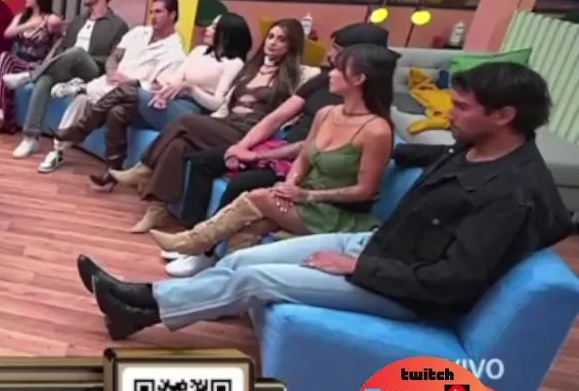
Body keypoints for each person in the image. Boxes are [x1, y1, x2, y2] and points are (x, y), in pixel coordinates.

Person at [78, 62, 572, 341]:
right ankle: (140, 302)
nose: (450, 115)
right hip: (380, 246)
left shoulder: (512, 194)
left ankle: (142, 305)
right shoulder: (472, 148)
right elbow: (412, 156)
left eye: (462, 107)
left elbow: (451, 280)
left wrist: (355, 268)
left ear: (504, 115)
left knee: (253, 277)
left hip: (402, 290)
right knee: (244, 258)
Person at [164, 22, 390, 276]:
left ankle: (195, 243)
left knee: (254, 193)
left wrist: (304, 193)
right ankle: (224, 277)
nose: (330, 67)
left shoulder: (377, 130)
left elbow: (364, 190)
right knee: (244, 221)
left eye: (339, 63)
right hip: (297, 184)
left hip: (331, 211)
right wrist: (285, 183)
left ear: (359, 76)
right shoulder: (327, 111)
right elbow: (296, 144)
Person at [112, 18, 311, 233]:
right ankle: (157, 210)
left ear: (292, 45)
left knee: (185, 121)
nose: (272, 43)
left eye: (281, 39)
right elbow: (225, 106)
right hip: (227, 123)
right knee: (179, 144)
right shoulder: (251, 68)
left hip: (251, 135)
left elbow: (291, 109)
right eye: (270, 37)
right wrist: (210, 122)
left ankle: (145, 168)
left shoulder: (296, 76)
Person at [39, 0, 187, 174]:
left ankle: (81, 88)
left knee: (90, 96)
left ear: (172, 15)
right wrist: (111, 71)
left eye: (159, 12)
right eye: (151, 12)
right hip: (109, 82)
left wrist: (131, 81)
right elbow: (115, 56)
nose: (153, 16)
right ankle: (58, 151)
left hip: (131, 95)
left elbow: (158, 87)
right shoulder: (138, 32)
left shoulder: (175, 53)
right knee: (82, 100)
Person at [0, 0, 129, 158]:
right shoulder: (79, 20)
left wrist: (83, 57)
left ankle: (29, 76)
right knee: (45, 80)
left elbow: (115, 59)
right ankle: (30, 137)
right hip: (69, 69)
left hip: (93, 72)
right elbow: (62, 48)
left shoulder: (118, 25)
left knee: (77, 52)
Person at [132, 12, 252, 134]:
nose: (207, 29)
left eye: (214, 27)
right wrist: (164, 92)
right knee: (123, 109)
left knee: (131, 92)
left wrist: (191, 88)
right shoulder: (199, 51)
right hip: (174, 100)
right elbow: (177, 78)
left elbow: (217, 104)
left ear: (226, 35)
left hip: (194, 111)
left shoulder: (234, 64)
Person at [0, 0, 63, 134]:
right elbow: (7, 34)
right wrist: (30, 24)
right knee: (4, 58)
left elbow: (62, 38)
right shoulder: (21, 17)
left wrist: (50, 60)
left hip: (38, 66)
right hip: (19, 62)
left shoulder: (51, 19)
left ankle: (0, 119)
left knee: (5, 67)